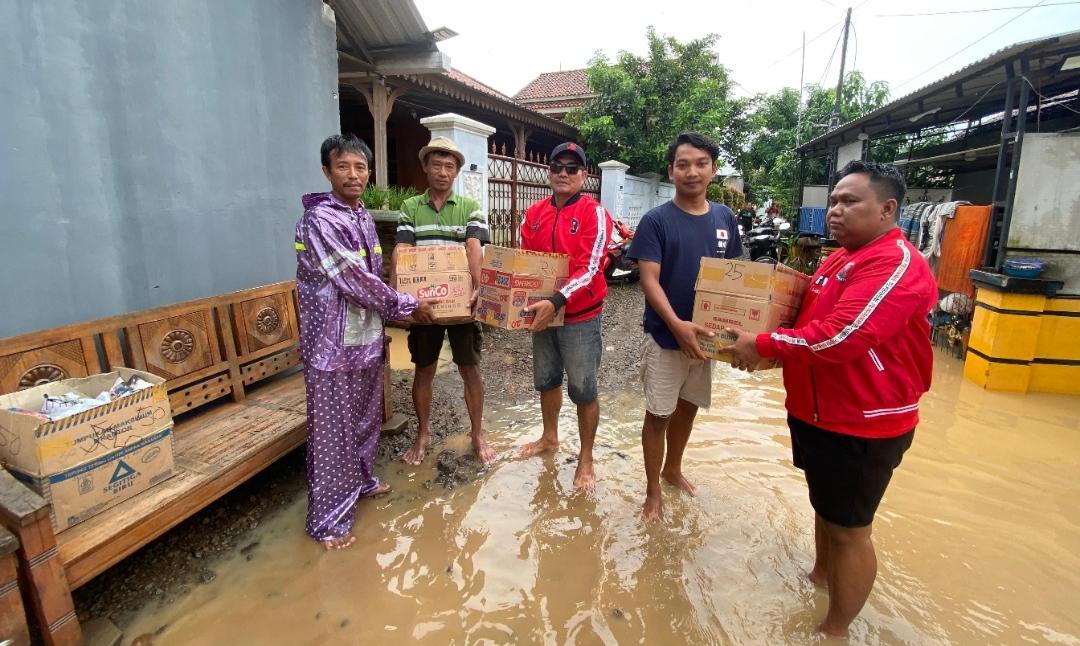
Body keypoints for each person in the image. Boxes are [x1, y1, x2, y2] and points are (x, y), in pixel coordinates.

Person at [723, 160, 936, 636]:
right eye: (833, 201)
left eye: (849, 201)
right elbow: (805, 324)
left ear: (887, 209)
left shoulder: (894, 264)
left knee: (850, 530)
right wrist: (770, 333)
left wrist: (761, 346)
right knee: (827, 510)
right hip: (819, 413)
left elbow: (842, 336)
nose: (835, 211)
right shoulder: (841, 257)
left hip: (864, 421)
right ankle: (820, 577)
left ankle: (835, 629)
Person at [294, 134, 437, 550]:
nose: (353, 175)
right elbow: (354, 279)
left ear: (369, 173)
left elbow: (374, 275)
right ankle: (328, 523)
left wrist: (398, 304)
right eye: (343, 167)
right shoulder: (320, 220)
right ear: (326, 171)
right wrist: (407, 304)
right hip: (331, 345)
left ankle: (359, 482)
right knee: (331, 434)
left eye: (360, 167)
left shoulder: (360, 217)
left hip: (365, 340)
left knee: (364, 420)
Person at [625, 132, 743, 521]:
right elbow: (649, 280)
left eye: (700, 163)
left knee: (689, 407)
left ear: (713, 169)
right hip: (665, 337)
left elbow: (736, 277)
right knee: (658, 414)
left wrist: (738, 334)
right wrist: (677, 326)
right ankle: (652, 489)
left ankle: (673, 469)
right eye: (682, 164)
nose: (691, 172)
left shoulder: (726, 217)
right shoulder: (656, 221)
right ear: (671, 171)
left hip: (708, 340)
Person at [518, 142, 613, 490]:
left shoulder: (594, 213)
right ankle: (549, 438)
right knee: (546, 380)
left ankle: (586, 457)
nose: (563, 173)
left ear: (584, 175)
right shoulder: (534, 213)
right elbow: (524, 261)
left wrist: (557, 300)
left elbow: (591, 268)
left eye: (572, 168)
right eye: (557, 166)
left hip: (580, 317)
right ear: (549, 171)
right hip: (543, 313)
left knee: (584, 389)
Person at [395, 136, 494, 466]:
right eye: (436, 165)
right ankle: (424, 433)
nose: (442, 171)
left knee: (470, 369)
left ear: (457, 172)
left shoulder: (470, 208)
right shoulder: (410, 208)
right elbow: (403, 250)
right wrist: (399, 296)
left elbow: (473, 247)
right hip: (425, 306)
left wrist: (480, 288)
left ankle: (477, 434)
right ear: (425, 167)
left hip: (462, 306)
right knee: (424, 369)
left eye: (449, 166)